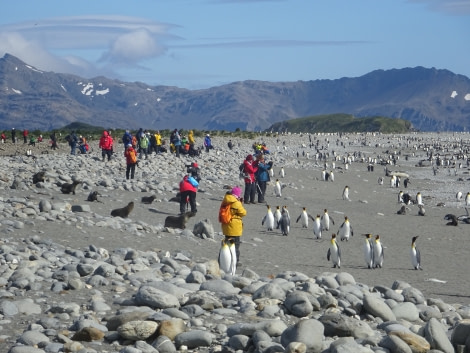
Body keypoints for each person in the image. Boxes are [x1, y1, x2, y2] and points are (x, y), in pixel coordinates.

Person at [220, 186, 247, 265]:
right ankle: (235, 260)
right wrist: (240, 203)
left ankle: (225, 260)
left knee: (226, 244)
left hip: (226, 226)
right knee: (235, 245)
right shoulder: (235, 202)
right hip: (234, 228)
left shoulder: (226, 200)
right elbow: (243, 212)